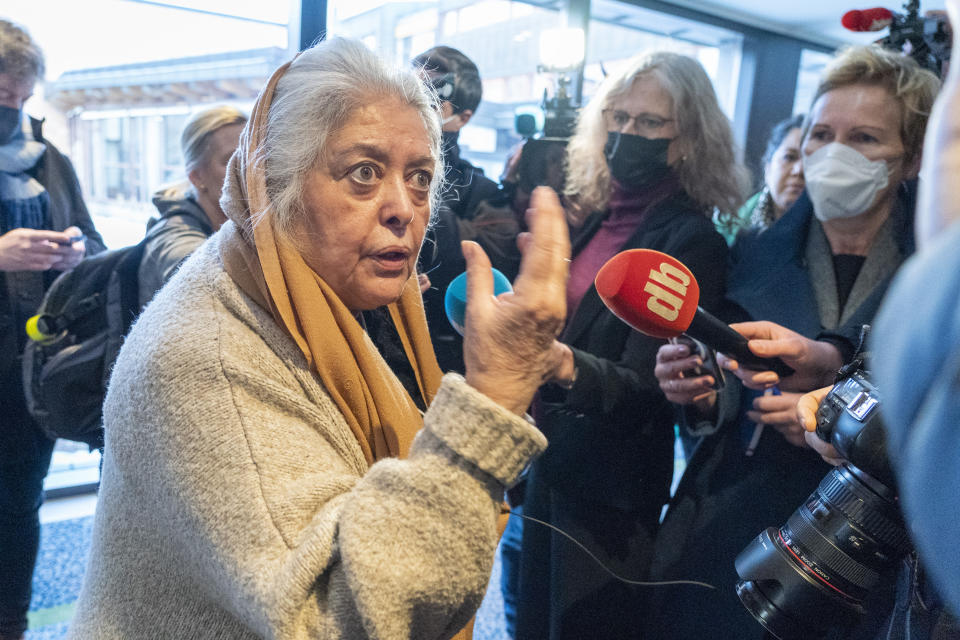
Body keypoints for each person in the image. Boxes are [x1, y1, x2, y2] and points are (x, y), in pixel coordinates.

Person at [67, 37, 573, 640]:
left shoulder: (338, 305)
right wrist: (494, 393)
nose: (402, 209)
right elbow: (338, 618)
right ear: (274, 182)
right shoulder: (209, 357)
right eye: (363, 173)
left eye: (419, 178)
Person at [648, 44, 940, 639]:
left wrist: (835, 412)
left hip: (868, 546)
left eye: (864, 138)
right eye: (820, 133)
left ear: (911, 159)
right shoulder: (751, 253)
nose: (833, 153)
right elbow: (725, 385)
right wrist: (703, 393)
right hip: (736, 511)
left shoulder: (938, 273)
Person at [509, 51, 746, 640]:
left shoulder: (693, 241)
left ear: (687, 138)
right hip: (543, 465)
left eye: (648, 123)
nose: (626, 134)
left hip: (607, 494)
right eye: (617, 117)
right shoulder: (594, 218)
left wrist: (558, 361)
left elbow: (652, 388)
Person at [0, 20, 105, 640]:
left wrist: (74, 252)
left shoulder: (51, 162)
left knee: (18, 505)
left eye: (20, 97)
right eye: (1, 94)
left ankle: (10, 622)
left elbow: (93, 241)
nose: (10, 108)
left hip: (26, 370)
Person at [137, 105, 246, 307]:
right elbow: (198, 276)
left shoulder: (241, 224)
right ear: (196, 177)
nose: (248, 169)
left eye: (252, 155)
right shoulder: (173, 231)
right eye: (231, 160)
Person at [723, 113, 805, 243]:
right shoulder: (728, 225)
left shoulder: (832, 235)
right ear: (768, 167)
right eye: (789, 157)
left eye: (810, 161)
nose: (799, 170)